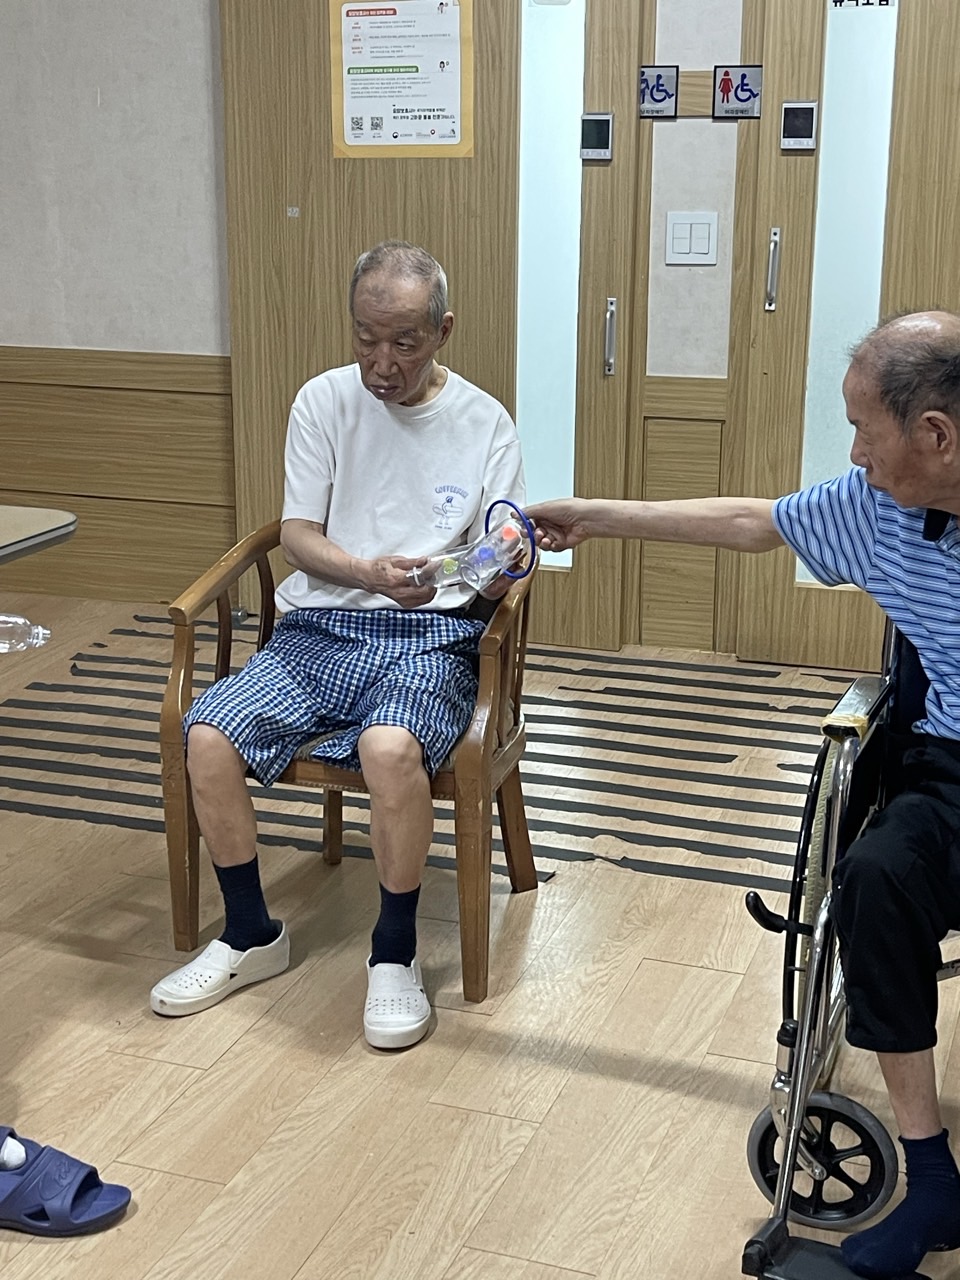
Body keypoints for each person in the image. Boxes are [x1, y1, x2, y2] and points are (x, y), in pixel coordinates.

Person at [529, 310, 960, 1280]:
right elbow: (755, 522)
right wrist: (594, 514)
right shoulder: (881, 507)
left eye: (864, 430)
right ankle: (933, 1176)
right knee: (876, 875)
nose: (854, 454)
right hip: (948, 766)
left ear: (934, 434)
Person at [151, 241, 525, 1050]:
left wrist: (503, 566)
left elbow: (498, 556)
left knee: (390, 749)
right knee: (207, 734)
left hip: (432, 636)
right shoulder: (322, 400)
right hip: (317, 630)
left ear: (443, 332)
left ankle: (393, 952)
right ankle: (251, 933)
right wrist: (365, 572)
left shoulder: (484, 421)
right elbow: (296, 534)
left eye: (404, 343)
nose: (381, 364)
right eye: (366, 338)